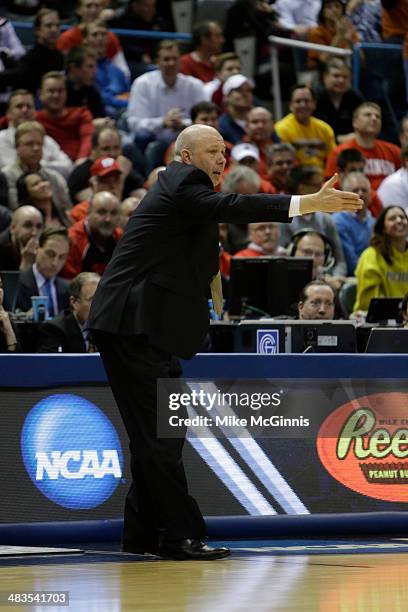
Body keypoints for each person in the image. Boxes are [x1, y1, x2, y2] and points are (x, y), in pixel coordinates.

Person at [87, 123, 362, 560]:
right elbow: (235, 204)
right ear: (185, 156)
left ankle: (144, 535)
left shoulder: (184, 194)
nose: (221, 159)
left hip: (143, 328)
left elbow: (192, 237)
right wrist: (306, 203)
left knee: (158, 435)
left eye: (223, 151)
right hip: (132, 326)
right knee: (161, 438)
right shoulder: (181, 181)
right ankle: (180, 536)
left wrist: (210, 277)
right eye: (212, 151)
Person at [354, 206, 408, 311]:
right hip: (378, 318)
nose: (399, 220)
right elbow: (370, 301)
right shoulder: (371, 255)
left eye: (402, 217)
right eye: (392, 218)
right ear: (383, 228)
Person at [274, 84, 336, 170]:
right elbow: (284, 162)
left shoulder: (325, 129)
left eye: (306, 101)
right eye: (298, 101)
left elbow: (332, 159)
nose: (303, 105)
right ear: (290, 105)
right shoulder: (281, 129)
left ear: (314, 104)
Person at [37, 271, 100, 352]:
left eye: (101, 299)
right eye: (92, 300)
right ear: (74, 301)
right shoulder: (55, 330)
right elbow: (49, 364)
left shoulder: (108, 328)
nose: (99, 306)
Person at [14, 226, 71, 313]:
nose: (55, 263)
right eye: (50, 254)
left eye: (62, 257)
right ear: (36, 248)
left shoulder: (69, 289)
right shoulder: (15, 285)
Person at [0, 205, 43, 271]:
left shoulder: (44, 248)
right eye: (28, 225)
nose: (34, 233)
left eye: (39, 227)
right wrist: (26, 263)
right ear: (12, 228)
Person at [0, 273, 18, 352]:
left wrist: (9, 331)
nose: (0, 291)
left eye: (0, 286)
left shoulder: (5, 320)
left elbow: (19, 361)